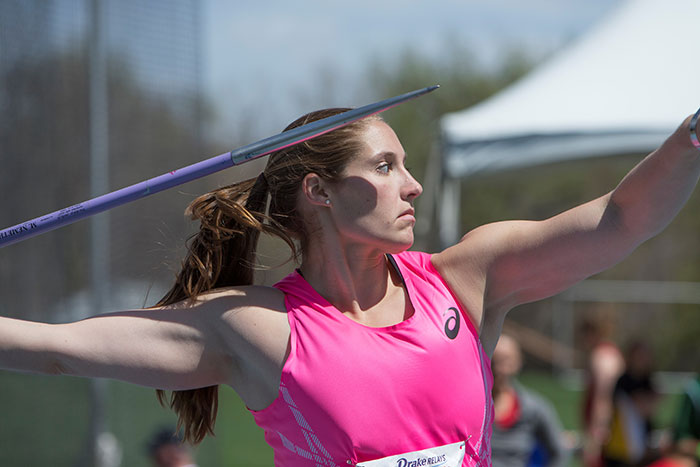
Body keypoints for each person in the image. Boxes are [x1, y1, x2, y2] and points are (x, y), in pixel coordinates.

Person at [1, 104, 700, 467]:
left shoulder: (466, 279)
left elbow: (621, 218)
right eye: (387, 165)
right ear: (319, 192)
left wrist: (691, 138)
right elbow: (57, 347)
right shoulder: (257, 328)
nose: (413, 184)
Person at [490, 334, 567, 467]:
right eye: (493, 361)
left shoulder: (533, 407)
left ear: (518, 363)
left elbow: (558, 450)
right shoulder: (472, 407)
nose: (499, 369)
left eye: (505, 361)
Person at [603, 340, 660, 466]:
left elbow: (651, 408)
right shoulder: (624, 380)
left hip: (642, 443)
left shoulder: (647, 381)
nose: (643, 360)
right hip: (621, 444)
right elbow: (642, 406)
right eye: (639, 355)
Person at [580, 317, 626, 467]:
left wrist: (597, 434)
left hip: (606, 431)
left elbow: (603, 398)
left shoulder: (603, 356)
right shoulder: (603, 354)